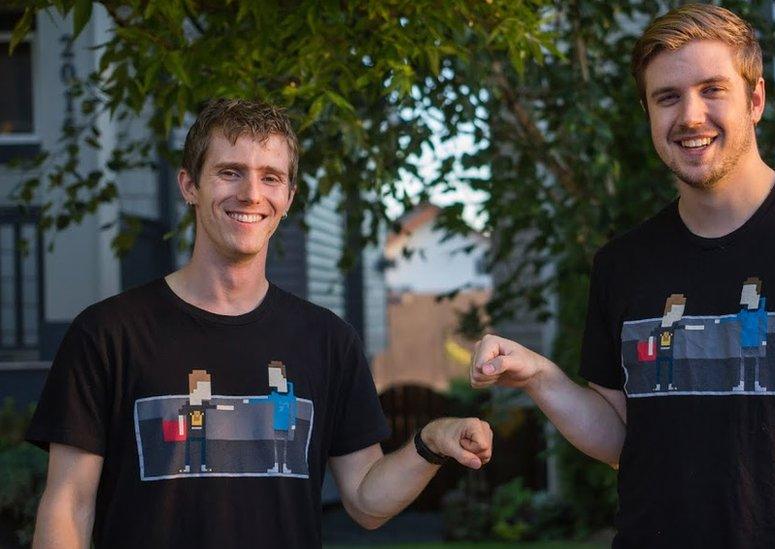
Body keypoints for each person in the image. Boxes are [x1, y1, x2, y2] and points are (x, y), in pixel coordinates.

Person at [470, 4, 775, 547]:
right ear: (648, 113)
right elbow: (624, 438)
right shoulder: (622, 264)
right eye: (667, 97)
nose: (690, 116)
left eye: (712, 89)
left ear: (756, 100)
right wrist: (538, 375)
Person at [28, 99, 493, 547]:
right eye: (229, 172)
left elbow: (367, 502)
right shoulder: (108, 334)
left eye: (270, 177)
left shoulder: (327, 340)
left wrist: (431, 441)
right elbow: (68, 505)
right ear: (190, 185)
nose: (251, 193)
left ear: (288, 197)